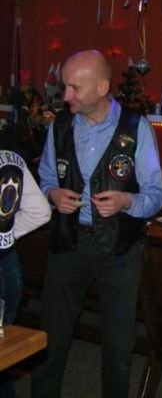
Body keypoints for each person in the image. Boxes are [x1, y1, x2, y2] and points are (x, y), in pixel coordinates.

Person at [31, 50, 162, 398]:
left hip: (119, 250)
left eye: (74, 87)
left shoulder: (136, 127)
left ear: (102, 87)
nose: (65, 96)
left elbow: (156, 195)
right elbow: (45, 178)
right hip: (68, 244)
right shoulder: (60, 125)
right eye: (65, 86)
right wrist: (52, 194)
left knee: (118, 349)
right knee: (50, 342)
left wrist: (126, 202)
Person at [0, 136, 51, 398]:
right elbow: (41, 211)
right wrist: (6, 236)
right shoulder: (11, 156)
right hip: (9, 266)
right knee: (5, 351)